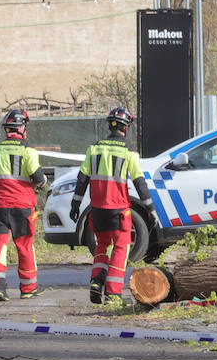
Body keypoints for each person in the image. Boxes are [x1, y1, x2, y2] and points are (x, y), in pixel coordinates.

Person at [68, 107, 160, 305]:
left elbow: (82, 179)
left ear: (110, 126)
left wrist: (75, 205)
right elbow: (139, 183)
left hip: (97, 209)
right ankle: (113, 293)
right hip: (118, 210)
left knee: (102, 245)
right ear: (125, 129)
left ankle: (96, 281)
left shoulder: (94, 149)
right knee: (121, 247)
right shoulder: (129, 154)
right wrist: (151, 209)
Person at [0, 109, 46, 302]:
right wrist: (41, 184)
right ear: (22, 129)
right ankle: (28, 288)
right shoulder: (27, 151)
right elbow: (38, 178)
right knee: (24, 245)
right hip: (22, 205)